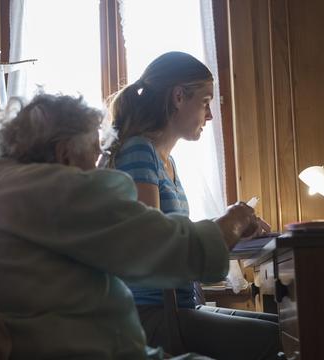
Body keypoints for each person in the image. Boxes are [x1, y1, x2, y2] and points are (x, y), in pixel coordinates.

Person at [0, 94, 264, 360]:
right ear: (64, 154)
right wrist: (236, 218)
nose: (101, 164)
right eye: (96, 154)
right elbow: (171, 249)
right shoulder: (54, 188)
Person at [105, 51, 280, 359]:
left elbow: (175, 237)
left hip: (179, 306)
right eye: (205, 101)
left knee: (287, 329)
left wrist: (233, 232)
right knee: (279, 339)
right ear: (178, 97)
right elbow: (154, 248)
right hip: (151, 315)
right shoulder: (138, 153)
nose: (209, 115)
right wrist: (227, 226)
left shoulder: (166, 161)